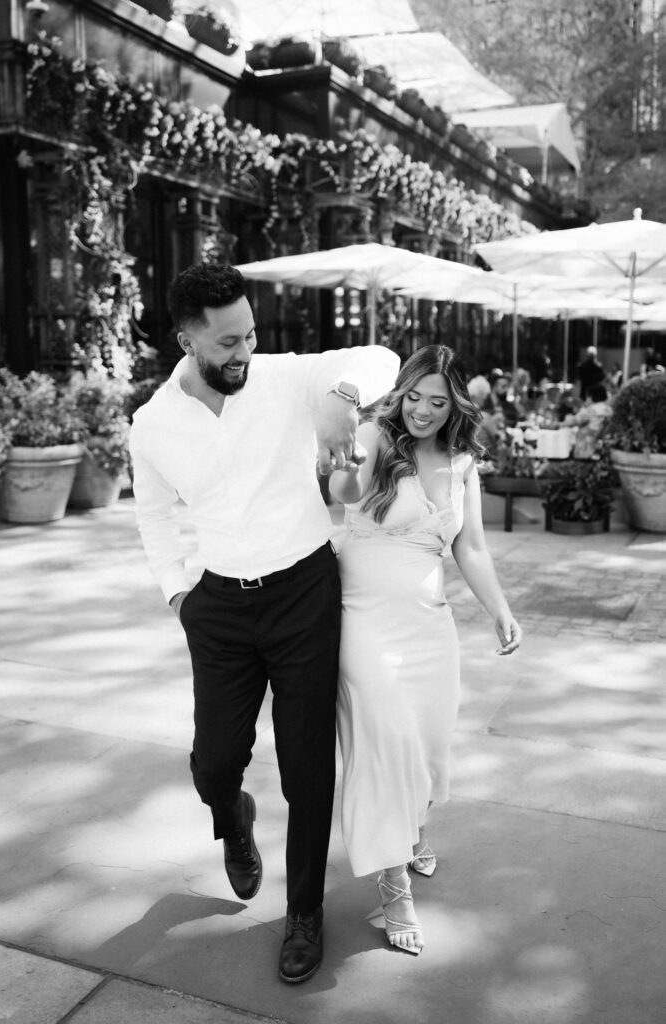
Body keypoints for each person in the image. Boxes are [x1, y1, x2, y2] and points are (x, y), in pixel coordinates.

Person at [128, 262, 399, 984]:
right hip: (217, 605)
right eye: (223, 342)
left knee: (308, 766)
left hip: (303, 592)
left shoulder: (285, 376)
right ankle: (231, 815)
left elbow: (383, 358)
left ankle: (303, 912)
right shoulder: (152, 424)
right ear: (185, 338)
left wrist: (342, 398)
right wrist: (177, 597)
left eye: (247, 334)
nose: (241, 351)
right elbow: (153, 515)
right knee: (214, 762)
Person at [328, 344, 521, 957]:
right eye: (414, 397)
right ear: (401, 392)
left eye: (437, 402)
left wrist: (501, 610)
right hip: (364, 621)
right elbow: (342, 491)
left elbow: (471, 549)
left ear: (454, 405)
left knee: (425, 742)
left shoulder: (463, 461)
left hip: (429, 628)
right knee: (385, 740)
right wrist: (348, 460)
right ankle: (393, 888)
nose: (422, 411)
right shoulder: (374, 436)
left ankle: (411, 831)